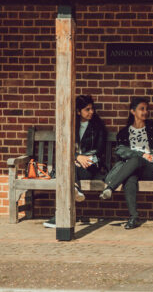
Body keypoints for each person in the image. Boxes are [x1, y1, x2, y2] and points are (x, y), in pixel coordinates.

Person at [100, 97, 153, 229]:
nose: (145, 112)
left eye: (146, 109)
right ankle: (133, 217)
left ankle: (110, 188)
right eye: (142, 109)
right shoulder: (123, 133)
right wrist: (140, 154)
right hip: (133, 167)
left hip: (151, 168)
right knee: (130, 177)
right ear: (133, 111)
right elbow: (120, 151)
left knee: (136, 160)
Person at [44, 95, 108, 229]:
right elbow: (63, 148)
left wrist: (86, 159)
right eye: (87, 109)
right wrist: (77, 157)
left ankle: (59, 217)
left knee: (67, 172)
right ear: (78, 111)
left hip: (90, 166)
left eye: (92, 109)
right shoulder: (70, 126)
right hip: (73, 165)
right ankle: (75, 190)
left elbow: (100, 152)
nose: (91, 112)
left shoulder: (98, 127)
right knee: (68, 170)